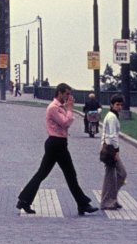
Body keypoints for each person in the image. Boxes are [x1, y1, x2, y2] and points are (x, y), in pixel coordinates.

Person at [17, 83, 98, 215]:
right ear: (59, 93)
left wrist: (67, 108)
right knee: (69, 174)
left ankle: (23, 200)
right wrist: (70, 109)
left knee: (44, 173)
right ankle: (83, 204)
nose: (69, 97)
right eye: (67, 94)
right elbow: (66, 122)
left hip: (58, 143)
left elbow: (66, 122)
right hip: (56, 144)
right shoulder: (53, 108)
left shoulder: (60, 107)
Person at [100, 95, 127, 210]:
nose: (119, 107)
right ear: (111, 105)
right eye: (117, 104)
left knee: (120, 174)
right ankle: (107, 201)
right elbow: (111, 136)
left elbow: (104, 132)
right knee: (112, 176)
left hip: (109, 147)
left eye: (121, 105)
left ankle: (112, 198)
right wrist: (116, 151)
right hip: (111, 148)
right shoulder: (111, 117)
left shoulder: (113, 116)